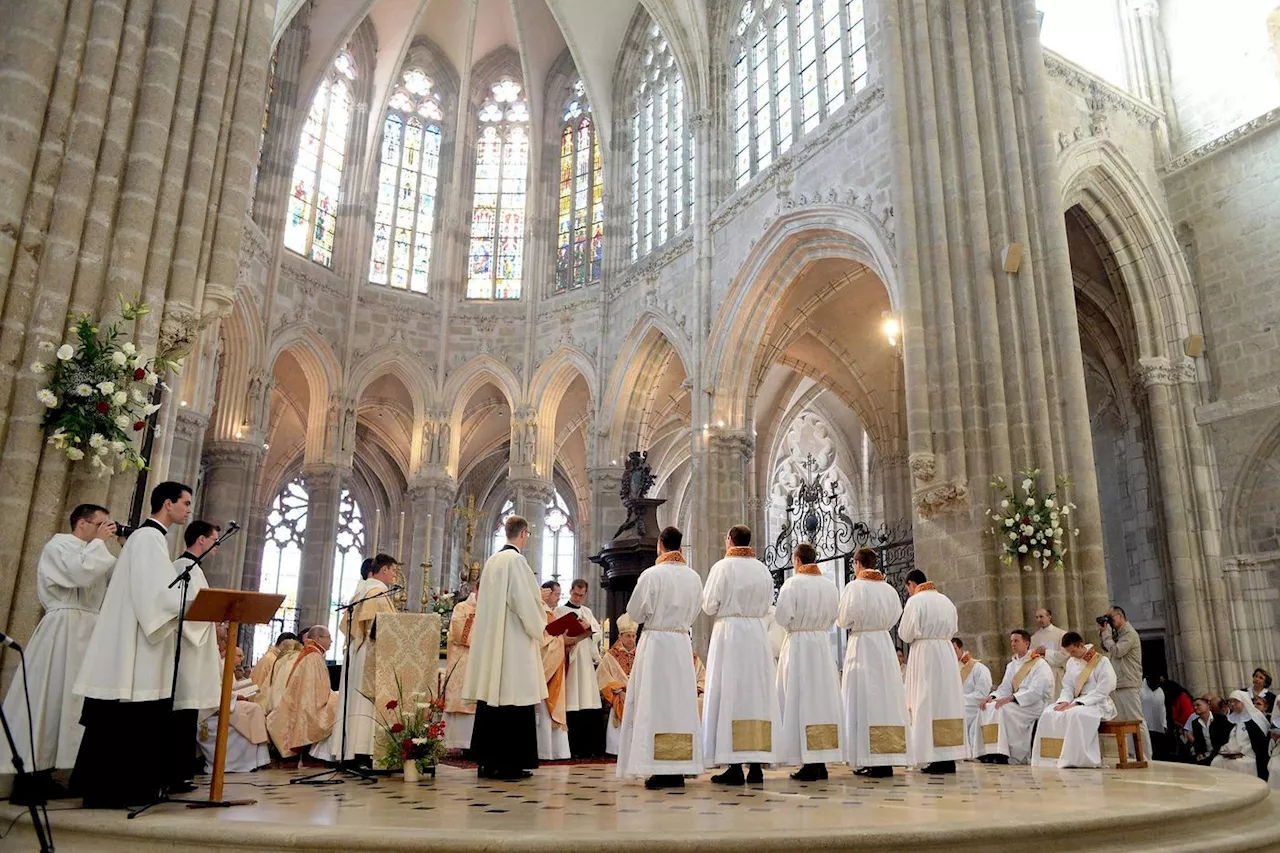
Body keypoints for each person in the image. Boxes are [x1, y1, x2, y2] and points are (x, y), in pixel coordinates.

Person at [72, 481, 194, 808]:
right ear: (167, 504)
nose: (188, 509)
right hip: (134, 645)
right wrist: (190, 602)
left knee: (125, 721)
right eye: (185, 503)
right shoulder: (149, 538)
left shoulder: (148, 539)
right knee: (129, 720)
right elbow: (154, 595)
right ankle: (118, 791)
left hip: (134, 639)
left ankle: (117, 789)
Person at [0, 504, 118, 781]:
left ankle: (62, 770)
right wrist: (101, 543)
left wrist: (123, 547)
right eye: (100, 524)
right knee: (49, 697)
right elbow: (79, 574)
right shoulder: (59, 546)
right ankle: (30, 774)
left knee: (76, 703)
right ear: (81, 523)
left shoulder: (98, 551)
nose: (105, 530)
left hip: (89, 629)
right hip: (63, 627)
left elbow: (113, 583)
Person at [615, 526, 704, 789]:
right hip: (679, 643)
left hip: (655, 644)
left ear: (659, 546)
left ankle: (657, 767)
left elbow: (635, 612)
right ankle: (678, 767)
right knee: (679, 706)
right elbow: (697, 610)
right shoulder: (694, 577)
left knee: (654, 704)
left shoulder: (652, 575)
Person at [462, 515, 547, 781]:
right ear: (523, 534)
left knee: (492, 701)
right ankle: (510, 764)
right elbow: (523, 603)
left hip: (492, 642)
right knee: (513, 700)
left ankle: (488, 762)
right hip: (512, 644)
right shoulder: (517, 561)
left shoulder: (492, 561)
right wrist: (540, 623)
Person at [701, 525, 780, 785]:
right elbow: (769, 604)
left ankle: (734, 765)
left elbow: (709, 604)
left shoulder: (722, 568)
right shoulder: (762, 569)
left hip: (730, 634)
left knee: (730, 694)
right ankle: (756, 765)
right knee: (755, 696)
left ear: (730, 540)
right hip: (756, 635)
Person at [315, 553, 398, 763]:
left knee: (355, 699)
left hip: (357, 650)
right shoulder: (377, 591)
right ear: (385, 569)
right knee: (365, 700)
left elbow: (351, 626)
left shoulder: (361, 591)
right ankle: (363, 749)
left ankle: (350, 748)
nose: (395, 576)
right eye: (394, 571)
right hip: (370, 652)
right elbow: (381, 627)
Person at [838, 548, 911, 777]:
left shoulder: (854, 588)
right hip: (883, 645)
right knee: (886, 701)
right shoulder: (888, 590)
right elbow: (896, 616)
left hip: (862, 645)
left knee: (863, 699)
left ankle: (869, 757)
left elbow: (843, 619)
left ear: (858, 564)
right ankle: (886, 757)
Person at [774, 543, 841, 781]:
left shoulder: (792, 584)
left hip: (800, 645)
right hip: (821, 646)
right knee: (820, 701)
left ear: (796, 560)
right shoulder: (830, 586)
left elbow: (782, 616)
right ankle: (820, 760)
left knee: (800, 700)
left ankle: (807, 760)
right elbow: (835, 615)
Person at [171, 521, 227, 790]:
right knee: (183, 710)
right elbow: (183, 610)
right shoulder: (184, 568)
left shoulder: (195, 569)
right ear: (201, 540)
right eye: (214, 539)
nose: (217, 545)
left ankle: (182, 771)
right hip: (188, 652)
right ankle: (176, 773)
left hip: (198, 649)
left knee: (189, 711)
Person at [899, 570, 967, 773]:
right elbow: (953, 628)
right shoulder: (945, 600)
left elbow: (905, 633)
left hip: (925, 653)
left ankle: (931, 755)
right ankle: (948, 757)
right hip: (945, 652)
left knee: (925, 701)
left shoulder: (915, 601)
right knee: (945, 703)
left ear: (911, 584)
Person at [1031, 631, 1117, 768]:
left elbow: (1104, 689)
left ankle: (1079, 759)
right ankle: (1052, 758)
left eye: (1073, 651)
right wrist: (1064, 701)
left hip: (1097, 703)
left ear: (1082, 645)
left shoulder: (1101, 661)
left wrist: (1078, 702)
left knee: (1075, 714)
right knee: (1049, 712)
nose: (1071, 655)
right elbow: (1068, 687)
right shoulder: (1071, 662)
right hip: (1074, 702)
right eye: (1069, 652)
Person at [973, 630, 1054, 765]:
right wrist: (992, 697)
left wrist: (1012, 698)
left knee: (1002, 710)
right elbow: (1005, 688)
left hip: (1032, 704)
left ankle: (1005, 753)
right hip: (1016, 701)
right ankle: (988, 751)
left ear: (1026, 643)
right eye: (1011, 641)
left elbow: (1037, 691)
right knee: (988, 707)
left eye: (1016, 641)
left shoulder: (1039, 664)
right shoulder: (1012, 665)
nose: (1013, 644)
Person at [266, 625, 338, 761]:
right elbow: (318, 693)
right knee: (340, 706)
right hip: (310, 706)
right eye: (329, 637)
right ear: (318, 638)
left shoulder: (310, 653)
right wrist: (335, 696)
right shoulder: (314, 657)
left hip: (302, 703)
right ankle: (322, 755)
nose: (331, 641)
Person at [556, 579, 603, 758]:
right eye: (575, 594)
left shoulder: (587, 611)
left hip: (585, 660)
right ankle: (573, 748)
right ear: (570, 591)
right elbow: (555, 633)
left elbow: (596, 633)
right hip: (570, 658)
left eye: (581, 596)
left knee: (587, 698)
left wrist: (588, 627)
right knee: (572, 698)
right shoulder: (560, 611)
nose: (577, 598)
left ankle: (589, 748)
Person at [1098, 605, 1151, 760]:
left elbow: (1117, 651)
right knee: (1124, 723)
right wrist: (1104, 632)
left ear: (1120, 616)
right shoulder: (1119, 634)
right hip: (1120, 682)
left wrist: (1106, 634)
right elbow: (1106, 647)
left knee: (1136, 720)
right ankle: (1132, 755)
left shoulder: (1129, 633)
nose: (1110, 621)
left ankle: (1146, 756)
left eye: (1111, 618)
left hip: (1129, 682)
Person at [536, 581, 570, 761]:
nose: (559, 598)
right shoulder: (540, 611)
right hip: (546, 663)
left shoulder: (552, 613)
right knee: (543, 708)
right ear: (547, 593)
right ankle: (544, 750)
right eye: (557, 594)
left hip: (555, 662)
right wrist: (560, 638)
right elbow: (541, 638)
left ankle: (554, 750)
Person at [443, 584, 478, 752]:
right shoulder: (462, 607)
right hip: (463, 661)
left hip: (480, 661)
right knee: (464, 700)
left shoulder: (490, 608)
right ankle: (462, 743)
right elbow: (458, 634)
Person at [598, 615, 637, 756]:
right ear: (620, 636)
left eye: (633, 636)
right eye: (628, 636)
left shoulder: (641, 655)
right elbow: (602, 676)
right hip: (618, 695)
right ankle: (616, 749)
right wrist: (618, 690)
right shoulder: (611, 656)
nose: (631, 639)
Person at [1211, 690, 1270, 781]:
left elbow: (1259, 743)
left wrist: (1242, 752)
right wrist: (1226, 750)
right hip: (1231, 753)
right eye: (1230, 702)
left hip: (1249, 754)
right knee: (1216, 762)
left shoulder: (1255, 719)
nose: (1232, 704)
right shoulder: (1230, 720)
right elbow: (1226, 739)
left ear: (1244, 701)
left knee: (1239, 764)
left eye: (1235, 701)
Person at [952, 637, 992, 760]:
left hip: (973, 707)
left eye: (954, 650)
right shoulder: (950, 668)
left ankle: (964, 751)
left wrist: (959, 700)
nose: (952, 654)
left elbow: (981, 694)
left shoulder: (978, 668)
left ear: (961, 649)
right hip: (958, 704)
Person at [1183, 695, 1232, 765]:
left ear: (1207, 705)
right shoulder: (1195, 723)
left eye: (1198, 705)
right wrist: (1199, 753)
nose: (1195, 707)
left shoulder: (1220, 719)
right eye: (1194, 706)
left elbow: (1223, 740)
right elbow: (1198, 741)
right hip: (1205, 753)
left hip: (1220, 752)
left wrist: (1212, 755)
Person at [1030, 607, 1068, 696]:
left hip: (1056, 676)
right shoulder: (1034, 637)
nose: (1039, 620)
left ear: (1049, 617)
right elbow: (1030, 657)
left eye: (1041, 617)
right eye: (1037, 617)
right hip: (1040, 677)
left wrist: (1046, 653)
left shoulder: (1061, 634)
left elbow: (1064, 656)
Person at [1141, 674, 1169, 759]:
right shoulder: (1140, 690)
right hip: (1145, 723)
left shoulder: (1160, 691)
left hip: (1158, 725)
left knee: (1158, 749)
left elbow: (1162, 708)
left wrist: (1164, 723)